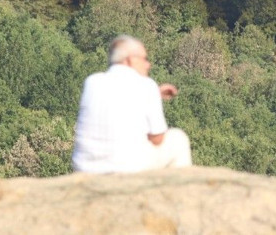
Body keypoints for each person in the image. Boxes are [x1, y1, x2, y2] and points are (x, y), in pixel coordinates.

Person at [72, 35, 192, 173]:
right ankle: (180, 192)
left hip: (85, 168)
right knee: (178, 139)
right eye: (144, 59)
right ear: (129, 60)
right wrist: (152, 95)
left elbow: (117, 101)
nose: (148, 64)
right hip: (125, 167)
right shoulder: (146, 85)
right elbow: (158, 139)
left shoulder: (92, 81)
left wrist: (154, 94)